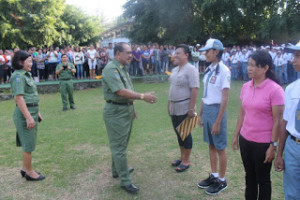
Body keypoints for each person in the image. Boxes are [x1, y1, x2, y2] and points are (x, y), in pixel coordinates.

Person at [102, 42, 158, 193]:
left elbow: (128, 89)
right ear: (118, 54)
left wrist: (132, 107)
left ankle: (116, 170)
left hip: (124, 109)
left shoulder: (122, 68)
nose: (130, 55)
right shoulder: (111, 69)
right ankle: (125, 180)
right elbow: (120, 91)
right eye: (127, 52)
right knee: (119, 147)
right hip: (115, 112)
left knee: (121, 144)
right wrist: (142, 96)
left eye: (130, 52)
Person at [232, 50, 284, 200]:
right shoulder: (246, 87)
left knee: (263, 180)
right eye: (248, 64)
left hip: (263, 144)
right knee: (250, 177)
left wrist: (272, 146)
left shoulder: (275, 90)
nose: (249, 68)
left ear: (265, 68)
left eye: (253, 65)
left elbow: (277, 121)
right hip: (245, 139)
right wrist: (236, 135)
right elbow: (242, 114)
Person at [197, 38, 231, 195]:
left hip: (217, 111)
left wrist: (218, 121)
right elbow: (206, 94)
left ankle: (222, 180)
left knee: (220, 147)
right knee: (211, 145)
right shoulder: (209, 69)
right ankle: (214, 175)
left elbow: (225, 98)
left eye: (207, 51)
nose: (205, 54)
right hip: (208, 110)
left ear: (216, 51)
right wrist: (200, 114)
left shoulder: (224, 71)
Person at [10, 50, 45, 181]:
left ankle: (25, 168)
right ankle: (30, 172)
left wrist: (37, 113)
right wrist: (29, 117)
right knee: (28, 144)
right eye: (29, 61)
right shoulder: (18, 76)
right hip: (26, 114)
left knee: (28, 141)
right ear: (20, 62)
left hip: (32, 111)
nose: (31, 64)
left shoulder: (26, 75)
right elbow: (19, 98)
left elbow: (31, 96)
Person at [274, 41, 300, 199]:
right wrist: (279, 154)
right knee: (291, 191)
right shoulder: (291, 89)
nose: (293, 60)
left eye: (298, 56)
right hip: (293, 145)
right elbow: (284, 122)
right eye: (294, 56)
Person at [168, 44, 199, 172]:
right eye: (175, 53)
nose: (175, 55)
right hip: (173, 106)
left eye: (178, 53)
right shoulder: (175, 70)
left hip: (185, 107)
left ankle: (186, 160)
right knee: (178, 132)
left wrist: (191, 109)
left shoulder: (191, 69)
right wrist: (168, 105)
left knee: (185, 133)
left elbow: (195, 89)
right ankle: (182, 157)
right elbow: (172, 88)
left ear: (186, 55)